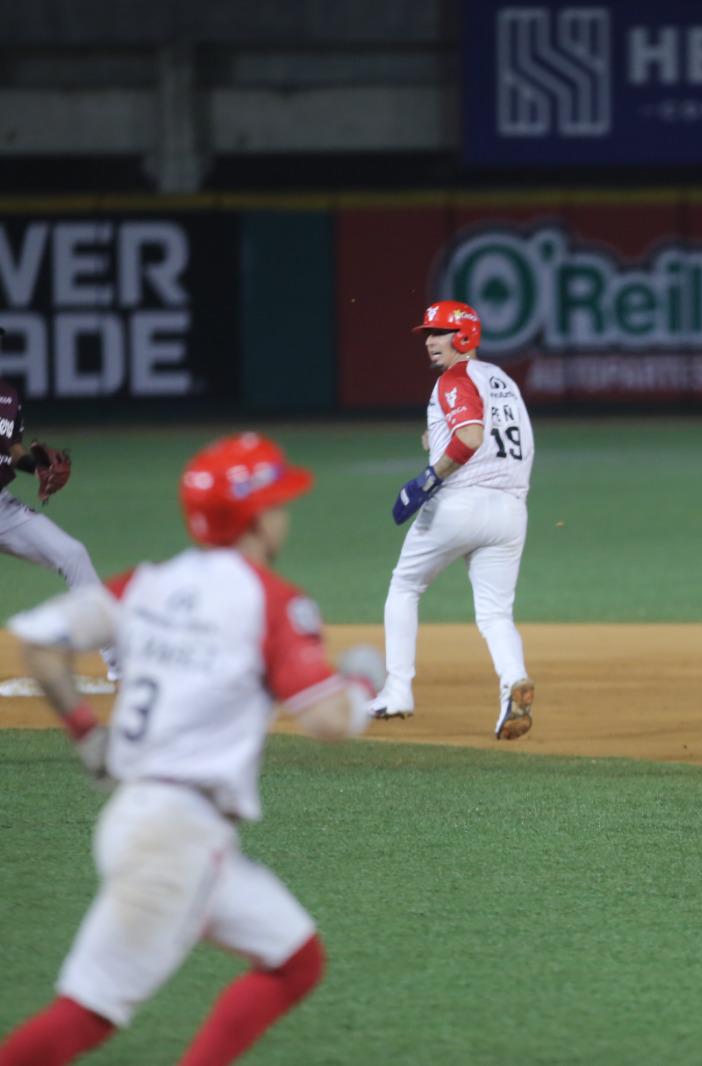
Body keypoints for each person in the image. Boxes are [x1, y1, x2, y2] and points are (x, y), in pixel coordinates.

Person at [0, 432, 384, 1066]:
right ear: (256, 516)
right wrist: (363, 682)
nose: (284, 515)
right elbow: (328, 722)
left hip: (165, 823)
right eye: (277, 503)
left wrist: (87, 736)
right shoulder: (271, 599)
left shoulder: (145, 584)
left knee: (295, 961)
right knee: (86, 1016)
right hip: (173, 838)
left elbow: (40, 643)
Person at [366, 300, 537, 740]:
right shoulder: (502, 379)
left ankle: (398, 690)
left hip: (460, 504)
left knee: (405, 587)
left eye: (439, 332)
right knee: (496, 613)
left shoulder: (454, 378)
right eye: (427, 334)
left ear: (464, 336)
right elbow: (486, 434)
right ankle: (513, 681)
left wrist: (429, 476)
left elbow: (470, 437)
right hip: (511, 511)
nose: (429, 342)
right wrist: (435, 438)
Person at [0, 331, 119, 682]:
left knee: (72, 554)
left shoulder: (7, 395)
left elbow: (13, 447)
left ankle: (121, 666)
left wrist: (35, 466)